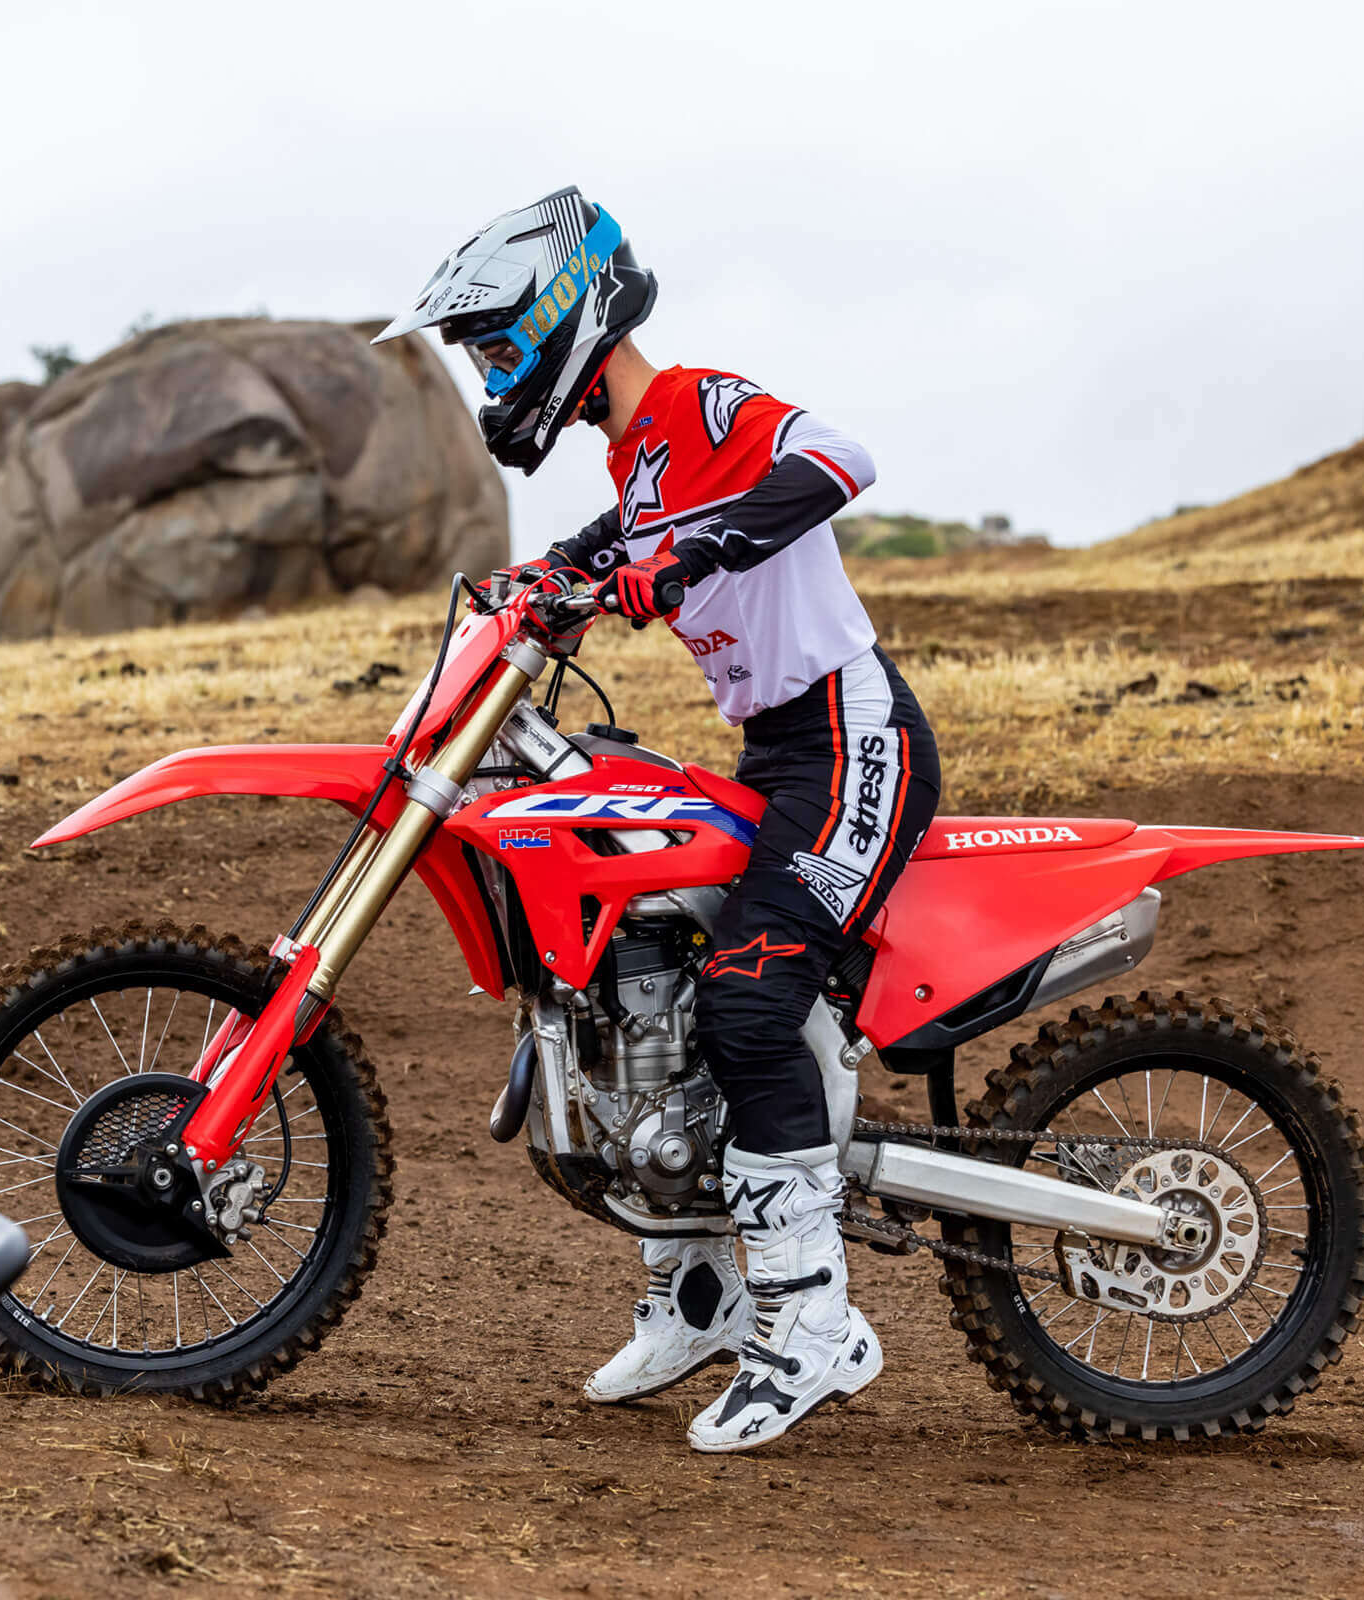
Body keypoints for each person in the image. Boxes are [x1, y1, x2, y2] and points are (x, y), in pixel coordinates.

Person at [374, 187, 942, 1453]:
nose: (491, 376)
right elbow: (601, 553)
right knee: (660, 984)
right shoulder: (634, 464)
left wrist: (695, 554)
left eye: (500, 346)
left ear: (568, 314)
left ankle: (814, 1330)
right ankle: (701, 1296)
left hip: (851, 745)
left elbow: (842, 457)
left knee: (745, 1004)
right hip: (778, 751)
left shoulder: (697, 404)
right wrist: (535, 593)